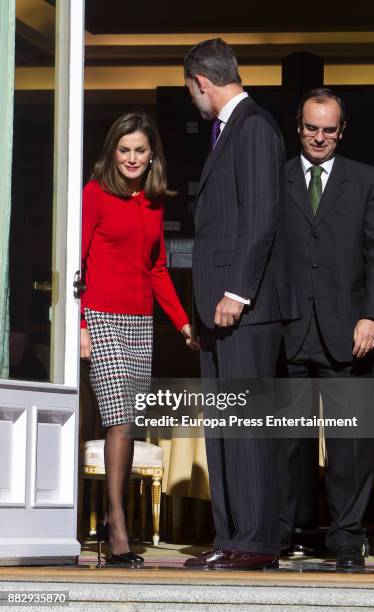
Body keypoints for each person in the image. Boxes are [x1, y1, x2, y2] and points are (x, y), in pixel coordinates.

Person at [183, 38, 297, 570]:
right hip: (217, 310)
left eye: (191, 90)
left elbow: (261, 217)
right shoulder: (229, 128)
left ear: (202, 82)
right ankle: (230, 539)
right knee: (223, 426)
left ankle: (255, 543)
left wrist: (236, 292)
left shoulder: (252, 127)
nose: (193, 99)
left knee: (247, 426)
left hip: (243, 308)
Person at [80, 112, 196, 566]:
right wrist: (82, 325)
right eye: (123, 150)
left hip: (140, 322)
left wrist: (184, 323)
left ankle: (114, 520)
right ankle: (118, 526)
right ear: (112, 152)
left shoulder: (152, 201)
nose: (131, 158)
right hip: (102, 317)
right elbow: (79, 261)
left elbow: (158, 268)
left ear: (152, 156)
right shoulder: (95, 195)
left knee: (130, 420)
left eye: (140, 151)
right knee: (120, 419)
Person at [279, 88, 374, 570]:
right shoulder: (277, 178)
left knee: (349, 447)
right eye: (311, 128)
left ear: (341, 130)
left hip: (348, 333)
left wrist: (371, 314)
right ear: (299, 127)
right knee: (287, 442)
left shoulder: (364, 180)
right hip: (290, 329)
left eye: (328, 129)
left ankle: (346, 537)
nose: (319, 137)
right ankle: (281, 530)